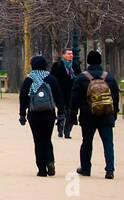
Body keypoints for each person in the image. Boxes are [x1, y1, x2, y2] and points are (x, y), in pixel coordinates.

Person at [68, 49, 119, 179]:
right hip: (106, 114)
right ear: (100, 61)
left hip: (88, 115)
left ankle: (85, 168)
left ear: (88, 61)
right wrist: (114, 114)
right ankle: (110, 169)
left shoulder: (81, 78)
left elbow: (74, 98)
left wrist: (73, 114)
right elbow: (115, 97)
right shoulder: (109, 77)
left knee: (87, 142)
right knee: (108, 143)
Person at [19, 55, 63, 177]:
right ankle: (50, 161)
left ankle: (42, 169)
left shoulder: (29, 79)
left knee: (38, 141)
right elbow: (59, 97)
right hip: (49, 114)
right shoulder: (51, 78)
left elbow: (23, 97)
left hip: (34, 115)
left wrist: (22, 114)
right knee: (47, 139)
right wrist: (61, 114)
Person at [49, 48, 79, 138]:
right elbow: (52, 79)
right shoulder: (57, 66)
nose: (71, 55)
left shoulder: (75, 65)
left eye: (72, 54)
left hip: (72, 93)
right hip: (60, 93)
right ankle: (60, 130)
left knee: (71, 113)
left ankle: (67, 132)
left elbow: (78, 78)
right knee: (62, 111)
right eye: (69, 53)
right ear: (63, 55)